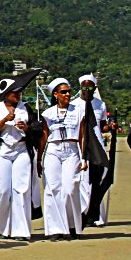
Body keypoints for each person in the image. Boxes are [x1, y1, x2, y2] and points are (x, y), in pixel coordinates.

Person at [0, 74, 38, 241]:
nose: (18, 95)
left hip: (21, 150)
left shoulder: (26, 108)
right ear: (6, 93)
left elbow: (37, 128)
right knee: (2, 189)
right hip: (3, 151)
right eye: (14, 92)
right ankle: (2, 228)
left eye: (19, 92)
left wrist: (26, 128)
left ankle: (21, 231)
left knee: (21, 189)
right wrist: (5, 120)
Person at [39, 78, 87, 241]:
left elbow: (82, 135)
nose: (67, 94)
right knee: (52, 188)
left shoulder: (79, 111)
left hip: (71, 150)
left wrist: (84, 156)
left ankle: (72, 225)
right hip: (53, 149)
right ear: (55, 94)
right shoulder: (47, 114)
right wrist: (40, 159)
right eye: (64, 92)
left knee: (70, 188)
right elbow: (44, 137)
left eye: (69, 91)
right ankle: (55, 229)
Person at [76, 74, 112, 227]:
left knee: (97, 179)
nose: (86, 90)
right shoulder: (74, 104)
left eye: (89, 87)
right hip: (81, 145)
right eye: (84, 87)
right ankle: (82, 214)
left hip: (97, 145)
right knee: (82, 181)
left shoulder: (100, 105)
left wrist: (110, 127)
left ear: (94, 88)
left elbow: (102, 124)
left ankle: (95, 215)